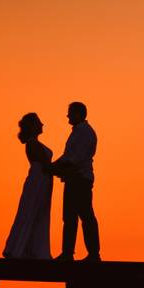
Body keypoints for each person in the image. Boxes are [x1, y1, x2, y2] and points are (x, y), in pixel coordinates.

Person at [47, 101, 100, 261]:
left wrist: (53, 168)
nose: (67, 115)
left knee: (85, 215)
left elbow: (74, 159)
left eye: (70, 112)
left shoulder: (84, 133)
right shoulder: (79, 132)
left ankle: (92, 254)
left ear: (78, 113)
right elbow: (69, 156)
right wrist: (54, 166)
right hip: (74, 179)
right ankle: (68, 253)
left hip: (80, 180)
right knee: (70, 217)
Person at [3, 113, 53, 259]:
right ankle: (19, 249)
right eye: (39, 123)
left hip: (43, 181)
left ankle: (34, 250)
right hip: (38, 181)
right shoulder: (32, 143)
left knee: (39, 213)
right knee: (29, 211)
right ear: (33, 126)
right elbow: (46, 164)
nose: (42, 125)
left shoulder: (34, 143)